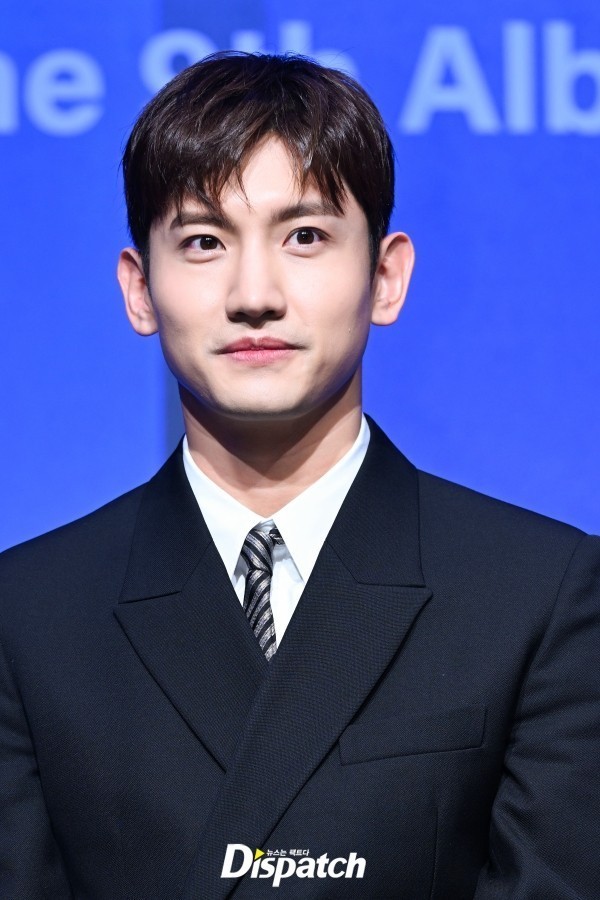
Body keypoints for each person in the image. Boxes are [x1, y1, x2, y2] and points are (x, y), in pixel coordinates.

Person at [0, 51, 598, 900]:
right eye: (204, 242)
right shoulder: (27, 615)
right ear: (139, 290)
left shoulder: (541, 595)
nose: (256, 294)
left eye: (305, 237)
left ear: (385, 276)